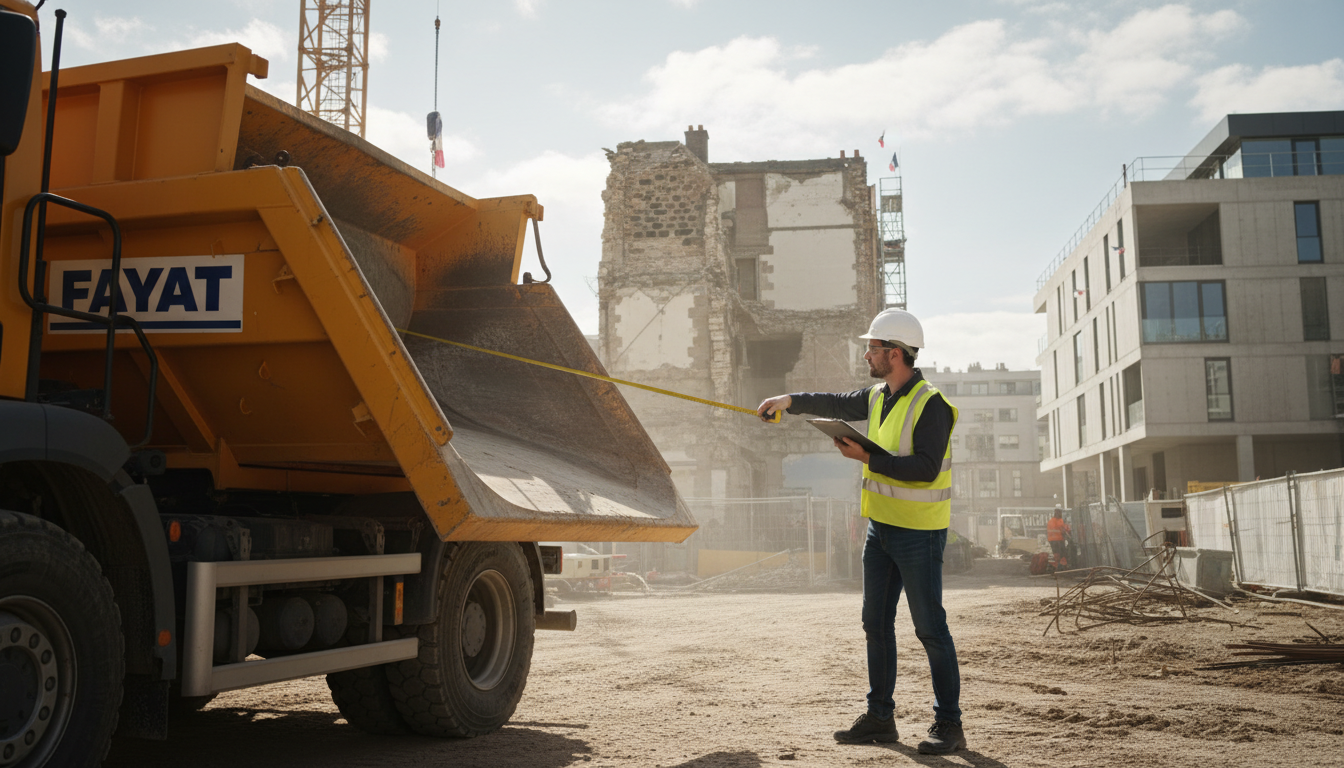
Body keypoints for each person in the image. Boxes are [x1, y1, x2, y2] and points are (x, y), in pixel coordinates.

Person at [756, 308, 965, 756]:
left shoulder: (932, 405)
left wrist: (867, 459)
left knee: (931, 629)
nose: (865, 353)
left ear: (894, 353)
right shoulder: (878, 397)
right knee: (875, 624)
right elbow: (834, 403)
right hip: (882, 531)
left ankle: (949, 724)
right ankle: (880, 718)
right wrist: (787, 401)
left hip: (920, 534)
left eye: (871, 347)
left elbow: (927, 469)